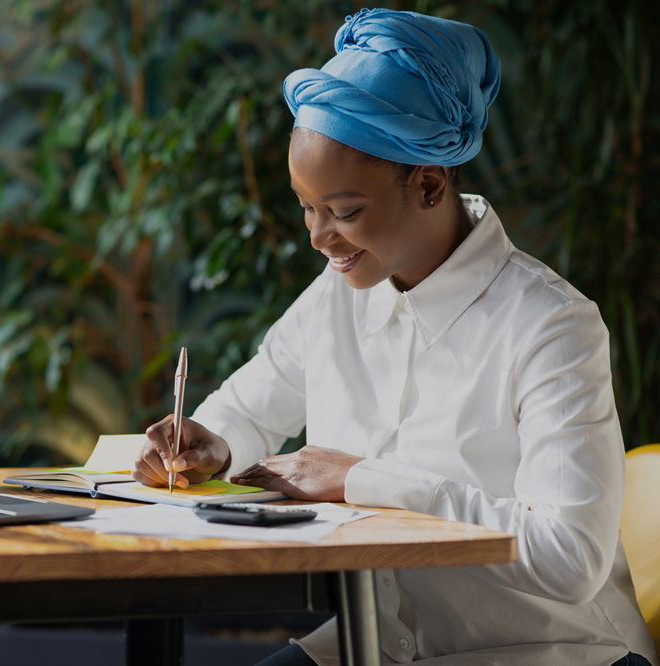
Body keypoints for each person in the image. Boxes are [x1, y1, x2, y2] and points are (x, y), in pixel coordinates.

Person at [132, 8, 657, 666]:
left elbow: (568, 559)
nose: (319, 238)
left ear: (430, 184)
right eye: (306, 207)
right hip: (375, 646)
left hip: (546, 650)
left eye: (344, 212)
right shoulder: (337, 296)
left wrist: (365, 480)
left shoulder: (551, 327)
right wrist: (208, 441)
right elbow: (252, 405)